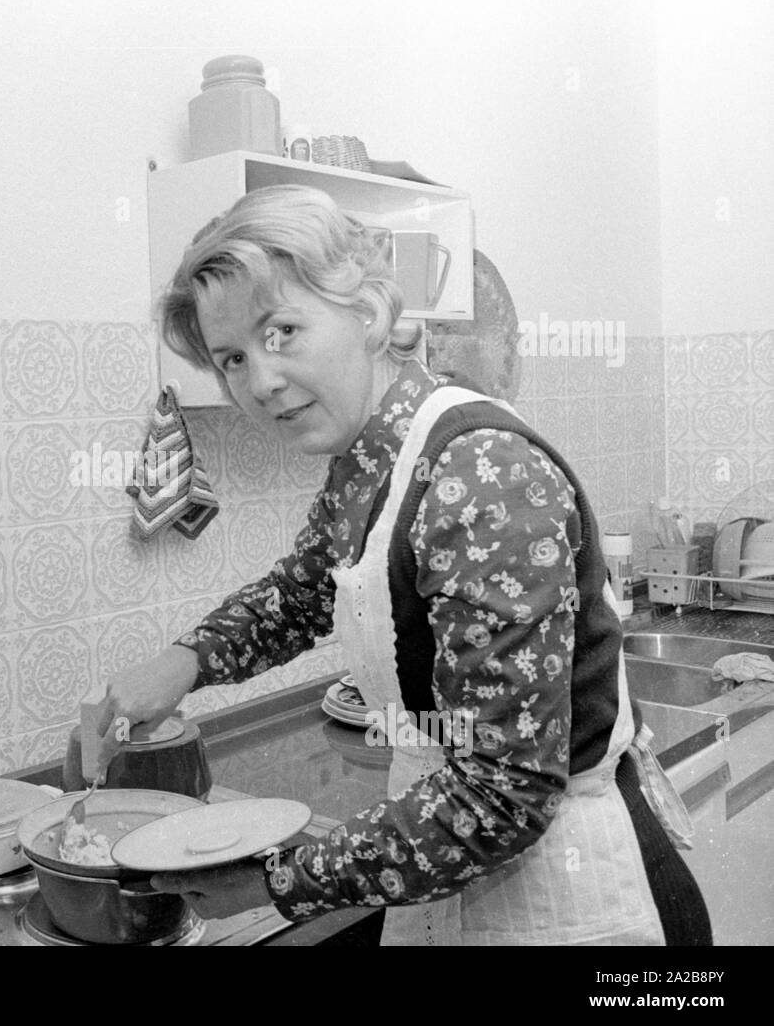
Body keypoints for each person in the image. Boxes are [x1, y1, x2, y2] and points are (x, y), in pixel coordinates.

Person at [88, 184, 710, 945]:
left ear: (370, 313)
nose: (260, 381)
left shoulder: (478, 471)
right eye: (232, 358)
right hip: (458, 874)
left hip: (570, 896)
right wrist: (183, 662)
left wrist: (278, 879)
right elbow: (306, 588)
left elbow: (503, 794)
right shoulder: (372, 455)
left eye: (282, 329)